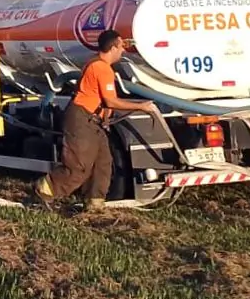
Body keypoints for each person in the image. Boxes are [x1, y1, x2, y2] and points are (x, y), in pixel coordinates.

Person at [32, 29, 159, 211]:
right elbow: (110, 101)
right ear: (113, 47)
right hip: (82, 119)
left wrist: (105, 118)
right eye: (121, 46)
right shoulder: (101, 68)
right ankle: (45, 189)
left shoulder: (98, 65)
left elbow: (104, 101)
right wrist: (141, 106)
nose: (123, 50)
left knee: (103, 163)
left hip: (93, 120)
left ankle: (95, 201)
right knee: (79, 166)